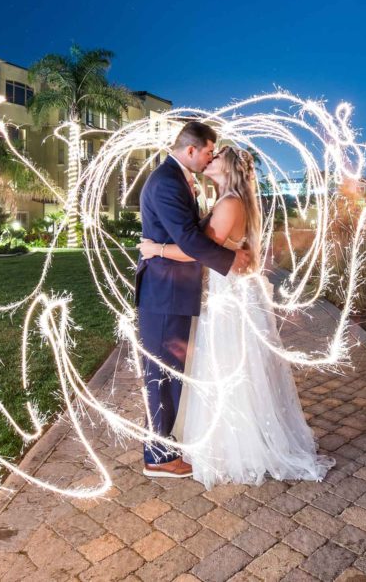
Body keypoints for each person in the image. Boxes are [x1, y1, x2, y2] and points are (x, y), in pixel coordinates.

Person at [139, 145, 333, 488]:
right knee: (232, 367)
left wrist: (154, 249)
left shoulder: (229, 203)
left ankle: (236, 446)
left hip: (230, 295)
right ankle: (233, 437)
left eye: (214, 159)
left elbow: (194, 251)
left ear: (227, 169)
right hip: (231, 290)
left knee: (229, 365)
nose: (207, 161)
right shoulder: (229, 200)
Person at [134, 121, 252, 478]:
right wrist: (231, 260)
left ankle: (162, 445)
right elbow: (188, 239)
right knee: (162, 373)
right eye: (207, 152)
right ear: (190, 150)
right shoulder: (168, 181)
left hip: (171, 289)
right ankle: (157, 455)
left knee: (169, 372)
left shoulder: (177, 178)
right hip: (165, 291)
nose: (210, 158)